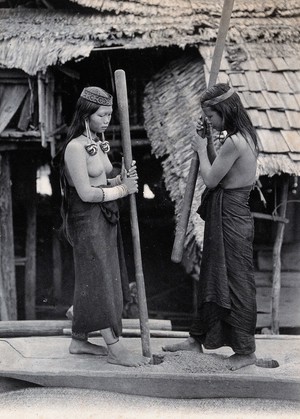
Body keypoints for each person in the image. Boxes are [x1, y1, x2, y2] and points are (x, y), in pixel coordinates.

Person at [163, 83, 259, 371]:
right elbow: (221, 168)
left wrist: (201, 149)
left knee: (235, 281)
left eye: (212, 117)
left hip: (231, 216)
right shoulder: (242, 137)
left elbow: (211, 179)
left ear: (225, 112)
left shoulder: (235, 142)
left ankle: (245, 351)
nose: (211, 122)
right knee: (212, 276)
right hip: (227, 215)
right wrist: (208, 143)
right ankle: (197, 338)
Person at [55, 86, 150, 367]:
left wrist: (121, 177)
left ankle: (79, 340)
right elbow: (86, 193)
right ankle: (114, 347)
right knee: (98, 279)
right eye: (102, 115)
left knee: (107, 275)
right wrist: (123, 189)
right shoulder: (74, 147)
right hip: (86, 219)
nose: (107, 120)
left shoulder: (94, 141)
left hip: (104, 217)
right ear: (87, 114)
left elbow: (104, 181)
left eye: (110, 114)